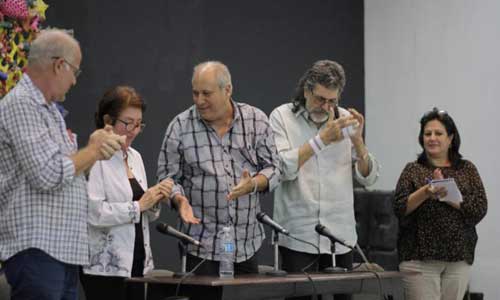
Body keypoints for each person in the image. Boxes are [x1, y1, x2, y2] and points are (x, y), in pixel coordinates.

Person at [0, 29, 124, 300]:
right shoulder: (22, 104)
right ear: (59, 65)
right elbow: (48, 173)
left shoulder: (49, 111)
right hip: (38, 250)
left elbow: (68, 171)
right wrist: (93, 149)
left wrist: (94, 152)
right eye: (75, 72)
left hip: (61, 250)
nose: (74, 82)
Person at [157, 61, 281, 276]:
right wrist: (179, 200)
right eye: (195, 93)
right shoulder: (180, 126)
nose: (199, 101)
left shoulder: (256, 120)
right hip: (200, 244)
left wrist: (253, 184)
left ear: (228, 90)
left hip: (246, 243)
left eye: (206, 93)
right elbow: (167, 178)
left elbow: (274, 169)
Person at [269, 60, 379, 300]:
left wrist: (358, 142)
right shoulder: (282, 116)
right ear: (306, 90)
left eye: (332, 101)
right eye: (320, 99)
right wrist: (322, 140)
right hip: (299, 235)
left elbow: (368, 178)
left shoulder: (345, 118)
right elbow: (283, 169)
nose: (326, 107)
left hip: (340, 235)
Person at [80, 86, 174, 300]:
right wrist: (139, 206)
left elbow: (144, 214)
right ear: (108, 121)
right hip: (105, 268)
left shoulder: (135, 157)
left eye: (139, 124)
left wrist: (156, 198)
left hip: (137, 261)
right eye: (128, 123)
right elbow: (95, 213)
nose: (133, 130)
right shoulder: (94, 157)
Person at [394, 108, 487, 300]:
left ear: (450, 138)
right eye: (427, 134)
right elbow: (399, 208)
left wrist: (451, 196)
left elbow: (479, 208)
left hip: (458, 258)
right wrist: (427, 191)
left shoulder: (467, 168)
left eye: (438, 133)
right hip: (419, 259)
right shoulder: (412, 170)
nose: (432, 138)